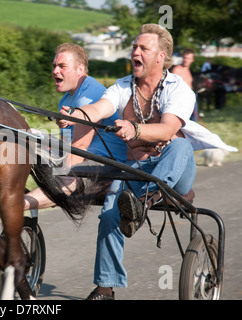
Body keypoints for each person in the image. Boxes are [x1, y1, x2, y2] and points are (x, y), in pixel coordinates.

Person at [59, 24, 236, 300]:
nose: (135, 52)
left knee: (178, 144)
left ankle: (142, 203)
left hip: (175, 173)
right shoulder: (121, 87)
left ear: (161, 56)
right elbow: (100, 108)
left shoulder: (178, 89)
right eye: (134, 47)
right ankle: (105, 288)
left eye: (143, 48)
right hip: (136, 172)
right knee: (109, 214)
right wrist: (79, 115)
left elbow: (167, 130)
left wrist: (135, 129)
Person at [24, 43, 127, 210]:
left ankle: (13, 205)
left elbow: (79, 149)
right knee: (27, 137)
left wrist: (54, 179)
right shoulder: (65, 100)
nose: (55, 71)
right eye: (54, 66)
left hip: (108, 166)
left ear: (80, 69)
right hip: (84, 157)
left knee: (65, 179)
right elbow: (68, 145)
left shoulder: (89, 96)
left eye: (62, 66)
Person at [171, 49, 199, 120]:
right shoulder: (177, 70)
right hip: (181, 98)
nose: (186, 60)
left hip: (191, 97)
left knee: (193, 119)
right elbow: (173, 86)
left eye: (188, 58)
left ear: (192, 60)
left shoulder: (188, 71)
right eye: (184, 58)